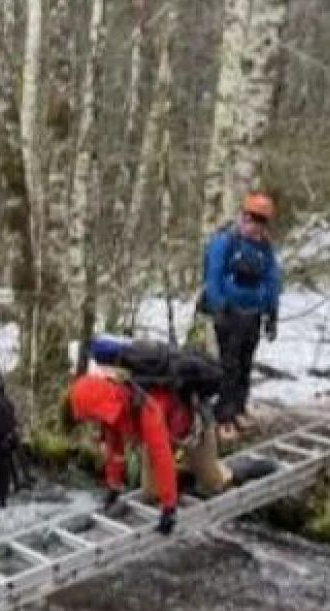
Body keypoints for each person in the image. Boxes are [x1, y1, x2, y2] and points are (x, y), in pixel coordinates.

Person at [63, 372, 232, 535]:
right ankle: (183, 476)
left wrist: (169, 508)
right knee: (151, 493)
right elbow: (115, 452)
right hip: (164, 438)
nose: (92, 422)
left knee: (213, 484)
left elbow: (162, 458)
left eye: (91, 417)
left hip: (194, 432)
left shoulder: (147, 407)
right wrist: (114, 487)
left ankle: (231, 471)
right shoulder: (111, 415)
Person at [201, 192, 282, 442]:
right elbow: (213, 276)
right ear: (243, 217)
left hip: (253, 314)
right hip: (229, 312)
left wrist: (272, 313)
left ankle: (239, 408)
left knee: (246, 363)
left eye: (261, 221)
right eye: (251, 219)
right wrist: (218, 307)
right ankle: (223, 416)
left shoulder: (264, 249)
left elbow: (272, 280)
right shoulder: (225, 242)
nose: (255, 226)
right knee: (229, 365)